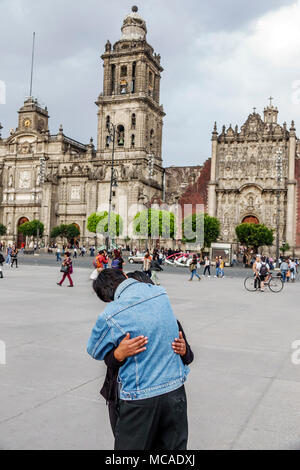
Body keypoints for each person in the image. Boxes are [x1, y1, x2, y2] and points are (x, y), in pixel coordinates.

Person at [87, 269, 190, 450]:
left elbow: (94, 351)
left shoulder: (112, 313)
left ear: (108, 298)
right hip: (175, 391)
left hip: (140, 396)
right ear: (125, 277)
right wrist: (119, 354)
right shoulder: (160, 293)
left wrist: (118, 353)